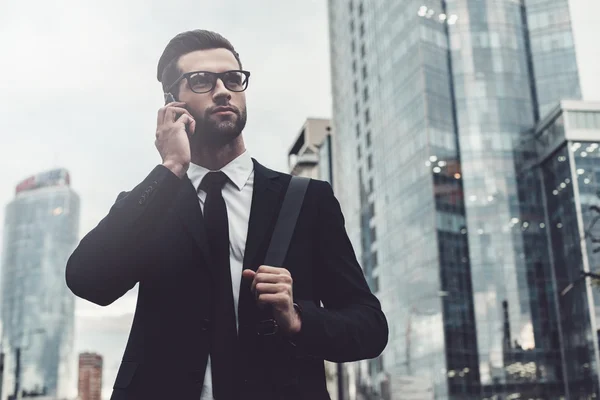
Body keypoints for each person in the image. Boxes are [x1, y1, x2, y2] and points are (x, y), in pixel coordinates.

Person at [65, 29, 388, 400]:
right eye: (201, 81)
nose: (222, 90)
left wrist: (299, 318)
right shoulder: (153, 203)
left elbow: (370, 327)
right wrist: (170, 167)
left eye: (233, 78)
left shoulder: (307, 199)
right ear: (173, 102)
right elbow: (87, 279)